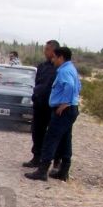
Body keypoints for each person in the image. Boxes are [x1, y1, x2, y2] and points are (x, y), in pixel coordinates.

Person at [25, 46, 81, 182]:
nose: (53, 59)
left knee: (51, 138)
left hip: (64, 110)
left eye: (55, 57)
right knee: (66, 139)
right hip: (71, 109)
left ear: (61, 57)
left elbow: (70, 86)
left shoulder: (64, 71)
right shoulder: (71, 69)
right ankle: (63, 171)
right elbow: (78, 86)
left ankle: (42, 171)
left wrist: (65, 102)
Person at [23, 40, 61, 168]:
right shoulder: (42, 66)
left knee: (54, 134)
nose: (45, 52)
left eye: (47, 50)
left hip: (52, 106)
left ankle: (55, 161)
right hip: (39, 105)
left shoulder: (59, 68)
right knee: (37, 131)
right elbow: (37, 83)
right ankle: (36, 157)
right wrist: (35, 96)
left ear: (54, 51)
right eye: (45, 49)